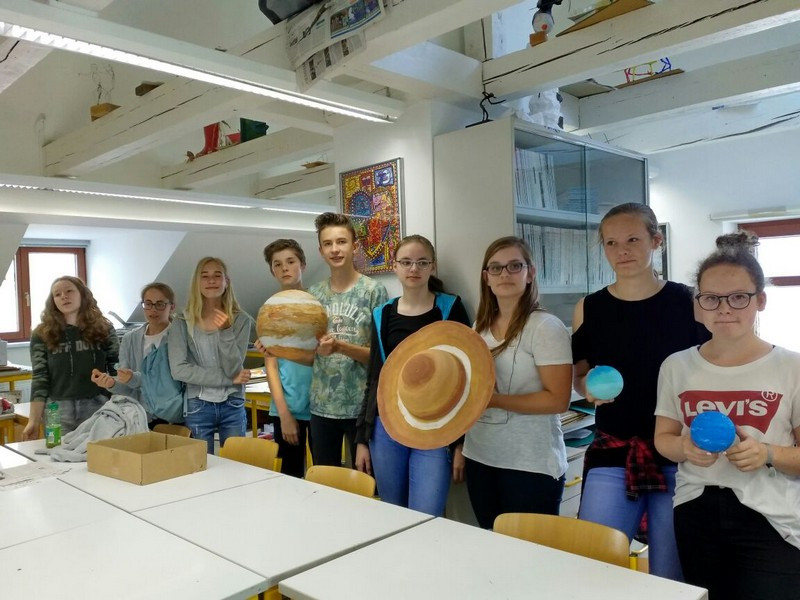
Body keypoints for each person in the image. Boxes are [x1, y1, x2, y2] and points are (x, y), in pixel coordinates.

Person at [654, 232, 800, 599]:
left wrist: (767, 453)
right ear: (698, 305)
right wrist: (684, 448)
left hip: (772, 516)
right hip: (695, 508)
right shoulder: (676, 366)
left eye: (738, 297)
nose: (724, 309)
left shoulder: (791, 367)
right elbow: (663, 439)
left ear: (760, 300)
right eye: (711, 298)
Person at [571, 202, 709, 581]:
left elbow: (712, 368)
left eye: (633, 240)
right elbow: (580, 372)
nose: (622, 251)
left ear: (656, 241)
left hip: (680, 453)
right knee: (594, 567)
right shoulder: (589, 307)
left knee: (670, 575)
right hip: (614, 449)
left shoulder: (689, 301)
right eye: (611, 243)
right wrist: (587, 387)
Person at [355, 234, 471, 515]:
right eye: (406, 262)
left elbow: (468, 379)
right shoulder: (382, 314)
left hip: (435, 428)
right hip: (387, 427)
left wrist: (461, 443)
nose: (414, 269)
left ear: (433, 266)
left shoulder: (449, 308)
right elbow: (375, 380)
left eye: (422, 262)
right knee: (392, 514)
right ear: (394, 266)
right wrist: (362, 439)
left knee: (426, 516)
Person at [462, 236, 573, 529]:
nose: (505, 274)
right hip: (480, 456)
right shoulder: (479, 328)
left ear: (530, 273)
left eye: (514, 266)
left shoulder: (545, 327)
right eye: (496, 268)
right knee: (491, 545)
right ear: (486, 277)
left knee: (529, 552)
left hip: (529, 464)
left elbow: (558, 399)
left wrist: (494, 400)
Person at [308, 212, 387, 467]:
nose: (335, 249)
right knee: (323, 482)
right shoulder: (313, 294)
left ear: (355, 246)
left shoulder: (374, 291)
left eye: (341, 242)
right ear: (320, 251)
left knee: (366, 483)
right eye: (328, 244)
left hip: (362, 409)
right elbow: (310, 352)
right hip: (322, 406)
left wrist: (339, 347)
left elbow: (381, 357)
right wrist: (276, 349)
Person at [168, 257, 253, 454]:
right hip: (197, 404)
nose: (211, 281)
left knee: (235, 464)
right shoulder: (181, 321)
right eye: (205, 276)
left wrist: (226, 331)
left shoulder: (241, 320)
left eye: (217, 275)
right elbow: (179, 370)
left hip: (232, 402)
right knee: (200, 465)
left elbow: (234, 369)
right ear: (196, 282)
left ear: (226, 281)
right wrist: (227, 380)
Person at [23, 276, 119, 439]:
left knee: (96, 452)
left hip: (97, 406)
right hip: (56, 410)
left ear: (82, 294)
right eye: (57, 294)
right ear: (53, 301)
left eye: (69, 291)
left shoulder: (104, 329)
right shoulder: (42, 333)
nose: (64, 296)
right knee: (56, 451)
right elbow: (40, 378)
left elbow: (116, 369)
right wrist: (34, 420)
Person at [260, 238, 313, 477]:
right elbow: (271, 366)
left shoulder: (317, 303)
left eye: (291, 262)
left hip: (321, 406)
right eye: (278, 264)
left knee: (325, 473)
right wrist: (284, 414)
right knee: (290, 476)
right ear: (272, 271)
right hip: (287, 407)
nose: (285, 268)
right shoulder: (271, 311)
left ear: (303, 264)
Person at [92, 282, 177, 427]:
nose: (153, 309)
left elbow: (168, 381)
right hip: (140, 416)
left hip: (171, 415)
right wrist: (111, 383)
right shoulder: (130, 339)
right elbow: (127, 388)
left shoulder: (179, 337)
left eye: (160, 304)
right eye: (148, 304)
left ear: (172, 307)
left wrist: (133, 378)